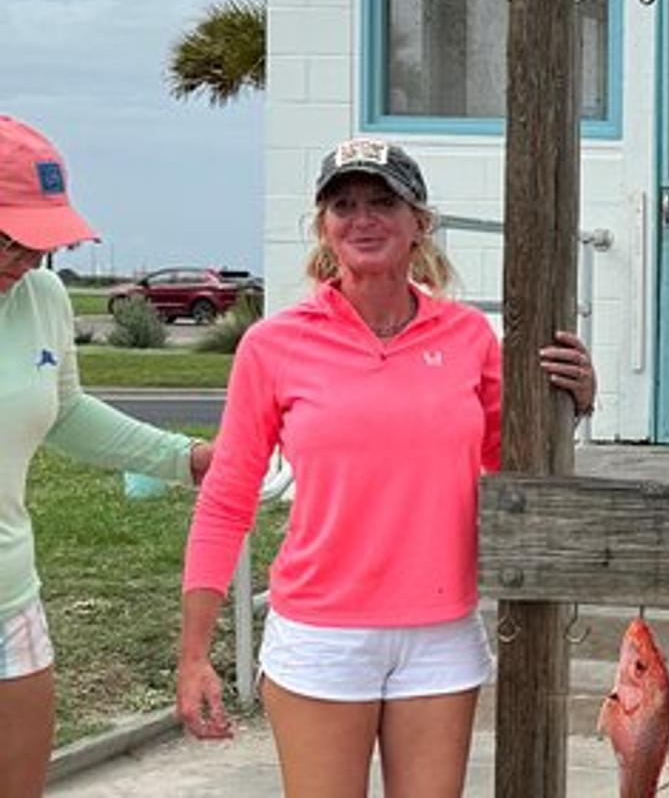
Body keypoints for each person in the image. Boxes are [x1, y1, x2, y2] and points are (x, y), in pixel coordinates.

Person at [175, 137, 595, 797]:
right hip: (321, 635)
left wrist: (575, 402)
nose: (363, 219)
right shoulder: (273, 345)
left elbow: (507, 459)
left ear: (418, 222)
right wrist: (195, 653)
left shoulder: (468, 337)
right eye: (343, 205)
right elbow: (227, 499)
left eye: (382, 202)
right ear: (323, 226)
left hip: (439, 635)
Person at [1, 115, 212, 798]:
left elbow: (64, 411)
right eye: (11, 239)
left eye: (41, 243)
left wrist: (185, 458)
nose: (27, 259)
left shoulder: (43, 296)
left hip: (10, 600)